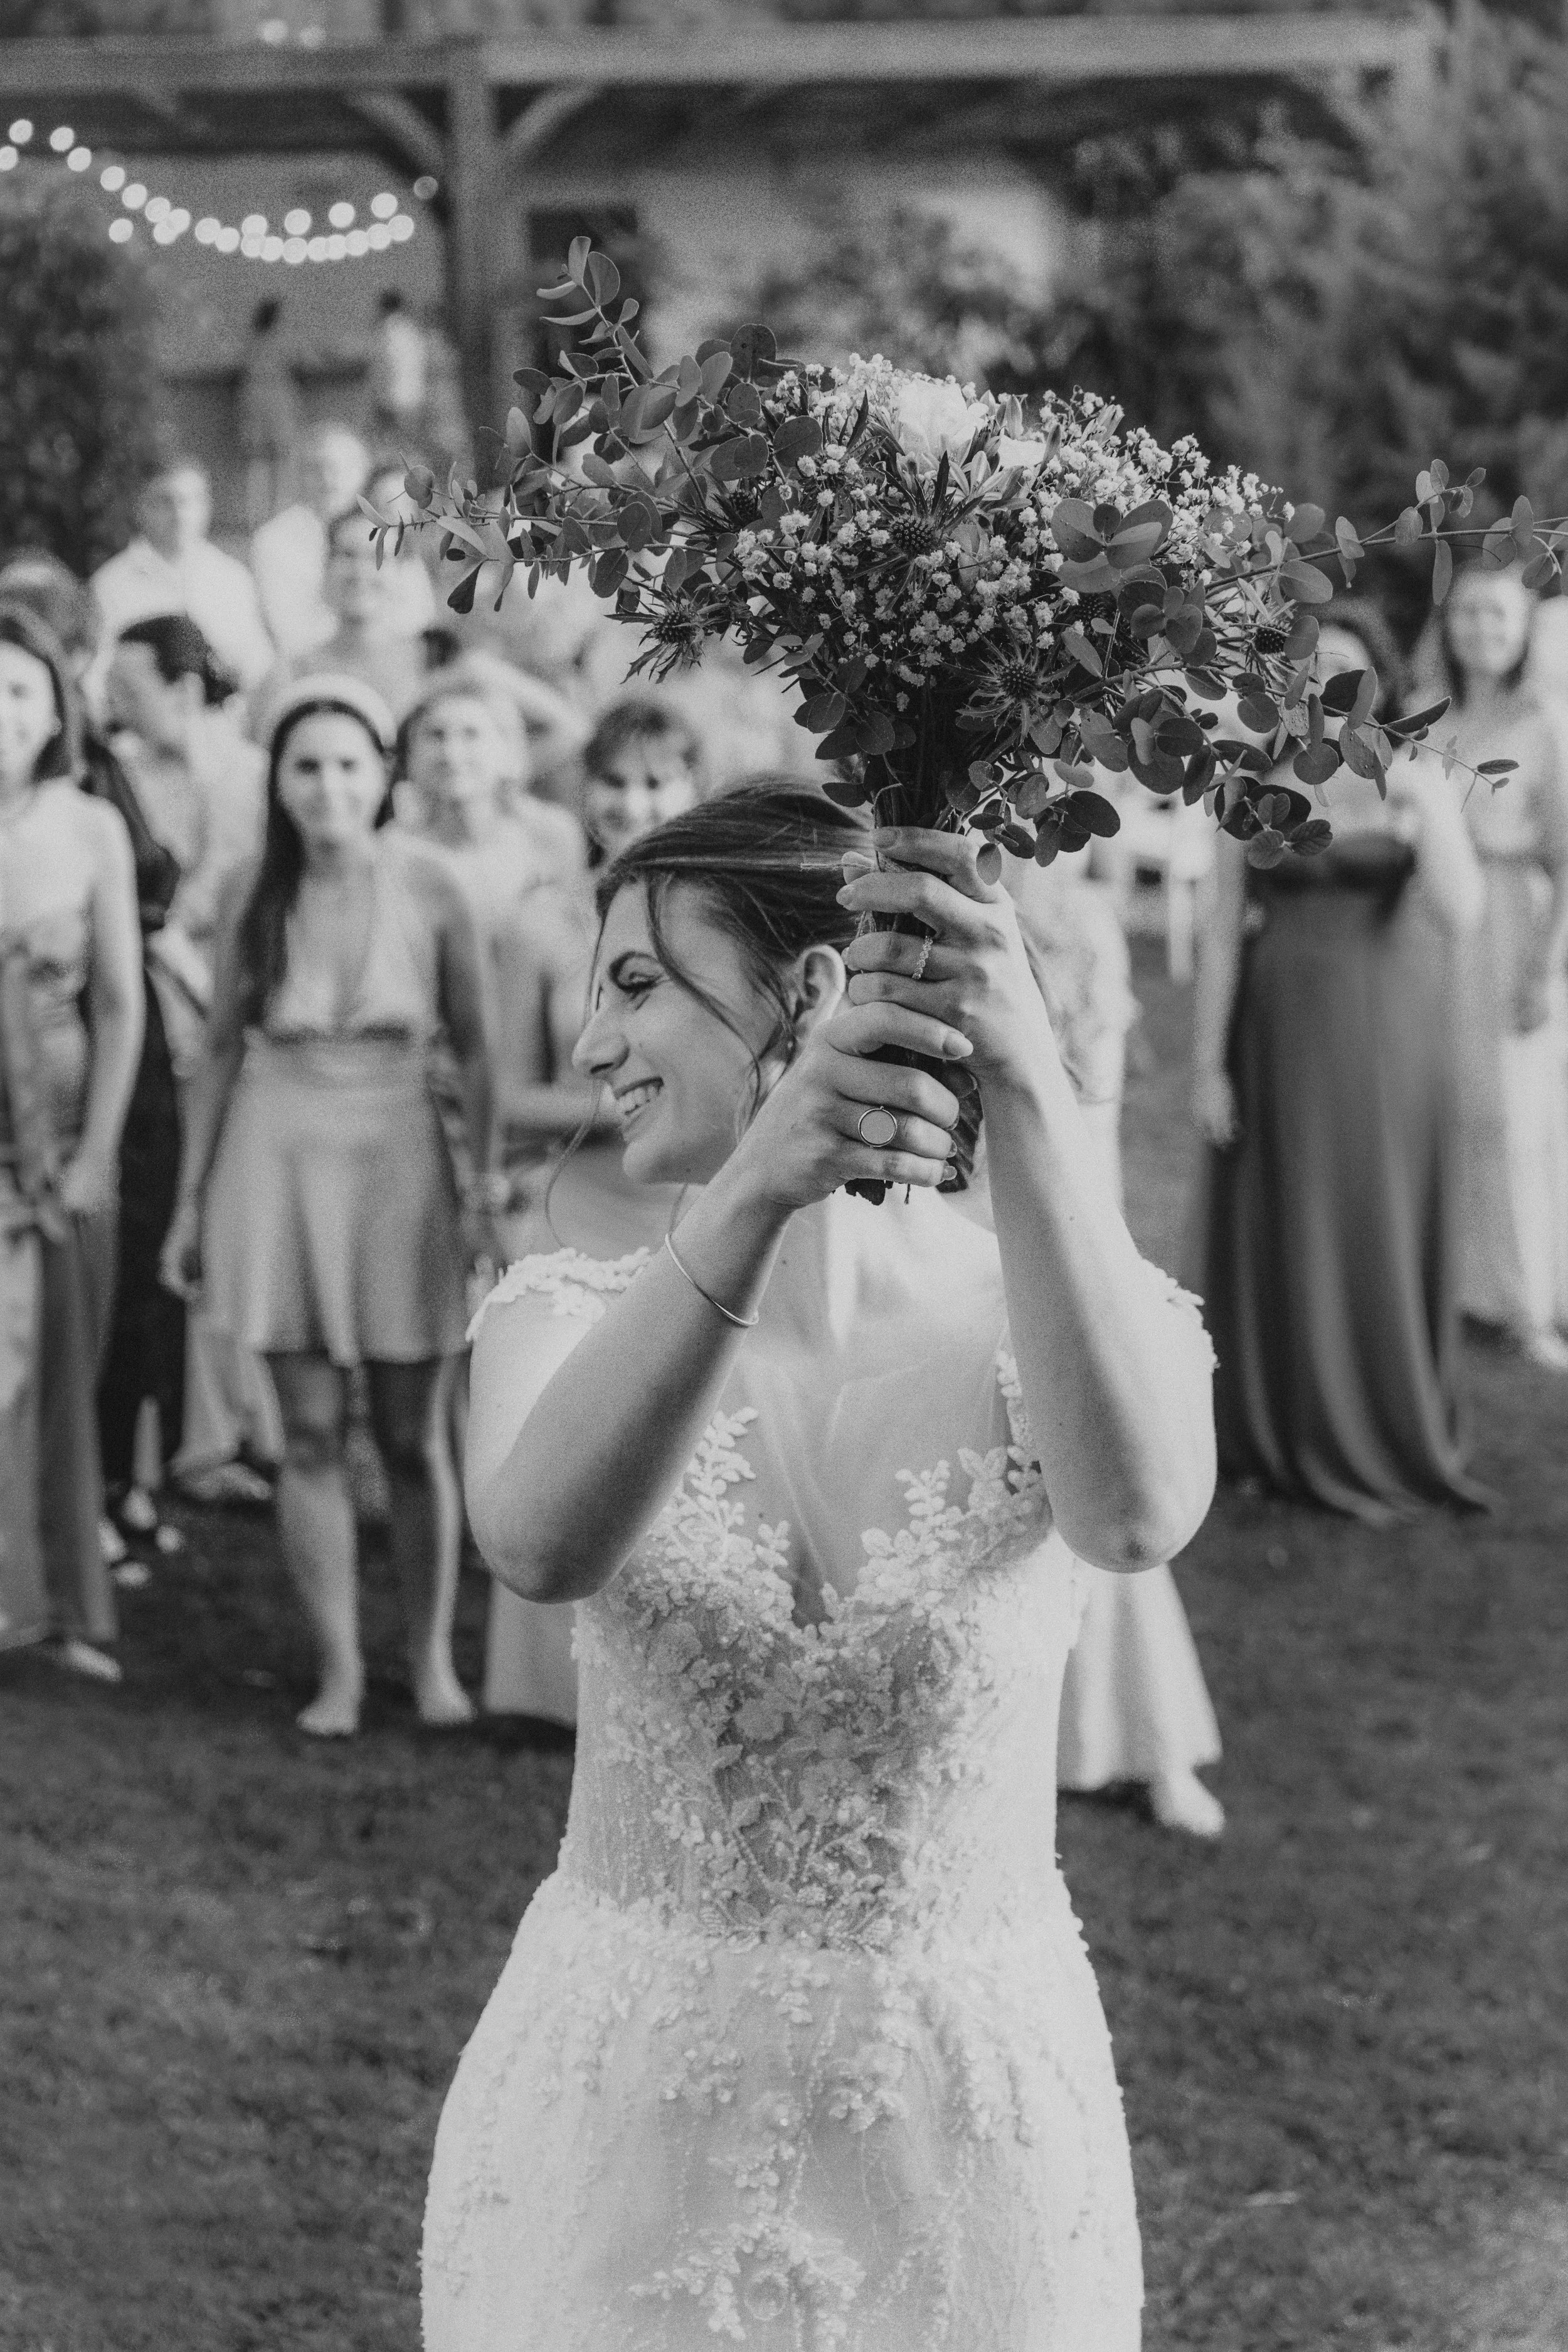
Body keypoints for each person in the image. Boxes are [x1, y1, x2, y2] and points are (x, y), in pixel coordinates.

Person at [423, 782, 1217, 2348]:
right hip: (620, 2115)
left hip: (966, 2137)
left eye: (637, 982)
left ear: (810, 992)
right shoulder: (560, 1308)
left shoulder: (1050, 1323)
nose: (590, 1044)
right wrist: (762, 1181)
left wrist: (1031, 1080)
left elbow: (1134, 1518)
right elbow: (533, 1542)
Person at [160, 676, 490, 1735]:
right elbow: (216, 1053)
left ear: (384, 771)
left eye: (350, 762)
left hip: (400, 1150)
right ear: (279, 780)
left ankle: (433, 1661)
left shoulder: (437, 883)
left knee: (411, 1430)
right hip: (276, 1148)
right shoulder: (255, 886)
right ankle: (339, 1670)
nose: (329, 786)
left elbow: (479, 1052)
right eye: (306, 765)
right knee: (304, 1430)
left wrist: (481, 1187)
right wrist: (188, 1204)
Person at [1189, 600, 1490, 1522]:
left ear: (1380, 681)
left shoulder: (1412, 774)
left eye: (1349, 668)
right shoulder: (1250, 778)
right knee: (1287, 1215)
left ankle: (1384, 1426)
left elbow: (1462, 910)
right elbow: (1219, 937)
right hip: (1278, 1029)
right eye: (1314, 669)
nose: (1329, 685)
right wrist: (1208, 1064)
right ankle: (1276, 1430)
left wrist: (1423, 810)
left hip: (1388, 1033)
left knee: (1374, 1211)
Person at [479, 699, 700, 1726]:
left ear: (692, 789)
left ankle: (670, 1676)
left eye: (657, 782)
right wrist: (617, 1108)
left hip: (681, 1216)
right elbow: (510, 1095)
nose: (634, 802)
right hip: (578, 1207)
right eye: (615, 781)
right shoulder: (538, 920)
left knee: (679, 1443)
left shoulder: (713, 924)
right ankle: (547, 1690)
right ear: (585, 790)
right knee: (559, 1432)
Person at [1004, 855, 1224, 1838]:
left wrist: (1099, 1264)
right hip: (939, 1214)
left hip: (1058, 1214)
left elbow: (1091, 1119)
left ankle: (1153, 1744)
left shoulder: (1081, 928)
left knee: (1108, 1487)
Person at [102, 616, 269, 1536]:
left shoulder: (247, 774)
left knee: (221, 1218)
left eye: (130, 690)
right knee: (166, 1218)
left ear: (186, 686)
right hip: (156, 1020)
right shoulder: (125, 773)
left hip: (229, 1010)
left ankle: (222, 1431)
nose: (114, 708)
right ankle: (159, 1440)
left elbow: (216, 897)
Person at [0, 603, 143, 1679]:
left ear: (54, 707)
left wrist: (97, 1151)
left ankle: (45, 1602)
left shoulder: (90, 826)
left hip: (53, 1133)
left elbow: (122, 1006)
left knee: (51, 1364)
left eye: (17, 690)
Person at [1430, 564, 1568, 1365]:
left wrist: (1544, 970)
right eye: (1468, 612)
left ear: (1522, 628)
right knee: (1457, 1109)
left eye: (1498, 615)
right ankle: (1468, 1288)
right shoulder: (1438, 718)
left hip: (1516, 921)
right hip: (1442, 927)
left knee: (1517, 1118)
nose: (1482, 628)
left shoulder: (1543, 719)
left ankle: (1531, 1309)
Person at [91, 459, 273, 694]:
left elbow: (259, 667)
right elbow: (100, 675)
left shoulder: (234, 578)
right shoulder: (111, 585)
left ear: (206, 506)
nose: (179, 514)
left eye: (189, 501)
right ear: (141, 507)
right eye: (165, 502)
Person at [253, 508, 431, 735]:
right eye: (348, 556)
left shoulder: (429, 664)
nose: (361, 572)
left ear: (400, 572)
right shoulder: (291, 674)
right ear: (326, 568)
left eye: (378, 557)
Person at [250, 422, 371, 664]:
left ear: (363, 473)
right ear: (300, 475)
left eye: (341, 467)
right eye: (316, 468)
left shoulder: (384, 533)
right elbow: (287, 628)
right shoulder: (275, 540)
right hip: (308, 666)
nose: (328, 479)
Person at [236, 297, 302, 532]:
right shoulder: (281, 341)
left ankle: (255, 515)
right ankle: (280, 514)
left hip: (253, 400)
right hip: (276, 402)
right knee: (280, 460)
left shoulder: (251, 341)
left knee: (257, 461)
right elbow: (304, 361)